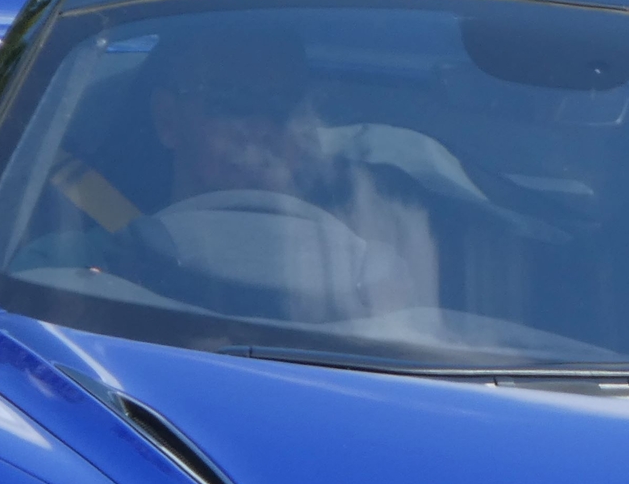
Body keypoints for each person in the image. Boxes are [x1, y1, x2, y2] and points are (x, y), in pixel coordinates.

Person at [132, 21, 442, 322]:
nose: (261, 128)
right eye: (230, 102)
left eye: (283, 106)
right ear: (167, 120)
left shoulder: (376, 256)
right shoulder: (118, 264)